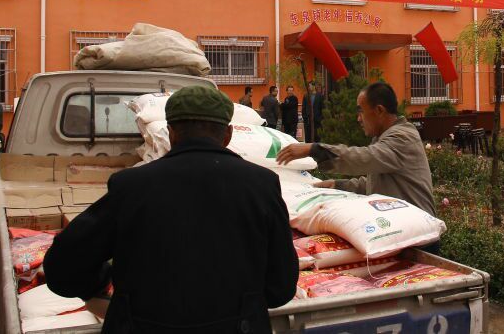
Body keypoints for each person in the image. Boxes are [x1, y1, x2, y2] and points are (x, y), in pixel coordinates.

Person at [44, 85, 298, 333]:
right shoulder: (262, 185)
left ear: (171, 133)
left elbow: (62, 266)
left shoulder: (130, 185)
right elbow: (281, 288)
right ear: (228, 135)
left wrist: (103, 285)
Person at [276, 81, 438, 253]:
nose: (358, 118)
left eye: (361, 111)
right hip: (402, 236)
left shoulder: (402, 137)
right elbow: (376, 182)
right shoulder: (384, 137)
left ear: (379, 110)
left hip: (420, 241)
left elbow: (364, 158)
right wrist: (337, 185)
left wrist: (314, 149)